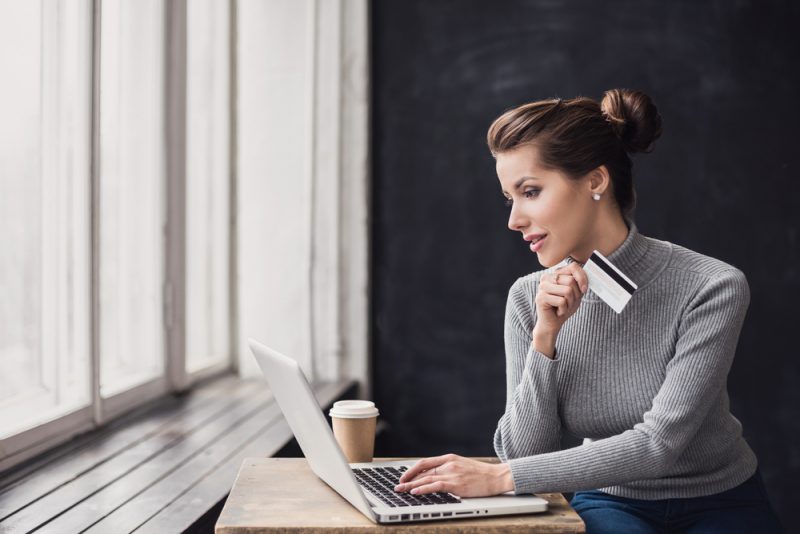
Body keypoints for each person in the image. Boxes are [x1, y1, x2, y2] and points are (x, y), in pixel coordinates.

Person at [393, 89, 784, 532]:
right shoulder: (528, 299)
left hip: (722, 499)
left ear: (596, 181)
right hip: (612, 499)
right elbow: (526, 456)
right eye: (510, 198)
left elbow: (660, 444)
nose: (514, 219)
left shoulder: (711, 286)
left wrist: (499, 477)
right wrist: (545, 338)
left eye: (531, 191)